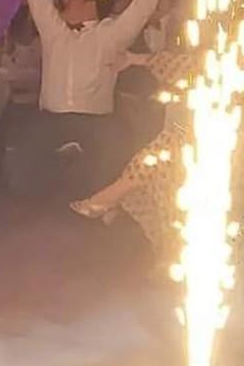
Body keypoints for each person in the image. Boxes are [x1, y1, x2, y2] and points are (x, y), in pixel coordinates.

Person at [3, 0, 170, 200]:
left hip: (96, 122)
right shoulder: (54, 31)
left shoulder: (111, 34)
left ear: (89, 1)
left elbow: (141, 9)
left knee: (113, 147)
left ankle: (100, 207)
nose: (63, 1)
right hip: (52, 120)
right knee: (21, 150)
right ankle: (30, 207)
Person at [69, 48, 201, 263]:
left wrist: (136, 59)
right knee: (161, 159)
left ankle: (110, 198)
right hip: (186, 149)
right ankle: (113, 198)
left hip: (217, 150)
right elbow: (189, 66)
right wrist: (135, 59)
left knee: (162, 155)